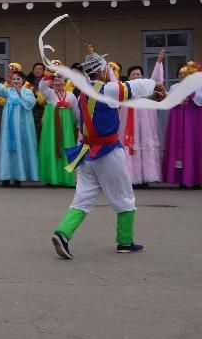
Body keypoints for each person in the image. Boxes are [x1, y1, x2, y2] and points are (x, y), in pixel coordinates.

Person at [51, 51, 165, 259]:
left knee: (83, 198)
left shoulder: (84, 93)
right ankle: (125, 241)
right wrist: (155, 85)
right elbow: (134, 86)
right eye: (106, 69)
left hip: (86, 153)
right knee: (124, 197)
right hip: (108, 152)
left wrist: (149, 93)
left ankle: (63, 232)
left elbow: (122, 97)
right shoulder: (108, 89)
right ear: (101, 70)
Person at [0, 69, 39, 186]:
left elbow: (31, 103)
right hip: (8, 126)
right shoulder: (8, 91)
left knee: (21, 147)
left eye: (18, 79)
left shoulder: (28, 92)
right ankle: (6, 176)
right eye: (14, 79)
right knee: (7, 147)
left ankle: (19, 177)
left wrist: (20, 94)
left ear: (23, 80)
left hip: (22, 127)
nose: (16, 81)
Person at [162, 62, 202, 189]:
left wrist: (193, 93)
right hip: (178, 120)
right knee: (179, 147)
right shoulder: (174, 87)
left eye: (186, 74)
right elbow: (169, 100)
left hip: (193, 122)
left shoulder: (198, 86)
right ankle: (181, 179)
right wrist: (178, 99)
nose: (183, 77)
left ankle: (196, 179)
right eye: (181, 74)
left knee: (194, 145)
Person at [120, 55, 164, 188]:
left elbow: (156, 78)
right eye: (133, 74)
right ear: (129, 77)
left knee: (145, 144)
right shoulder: (124, 87)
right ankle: (132, 177)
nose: (136, 76)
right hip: (128, 118)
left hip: (145, 120)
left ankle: (146, 177)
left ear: (142, 76)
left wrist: (158, 63)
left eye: (138, 74)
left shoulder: (147, 86)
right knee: (131, 145)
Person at [37, 68, 79, 187]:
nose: (58, 83)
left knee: (66, 149)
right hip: (52, 128)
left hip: (66, 128)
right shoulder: (49, 93)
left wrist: (76, 125)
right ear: (53, 83)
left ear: (65, 83)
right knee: (52, 148)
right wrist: (48, 76)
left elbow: (76, 112)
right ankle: (52, 177)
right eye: (56, 81)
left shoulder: (70, 96)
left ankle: (66, 178)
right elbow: (42, 87)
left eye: (61, 81)